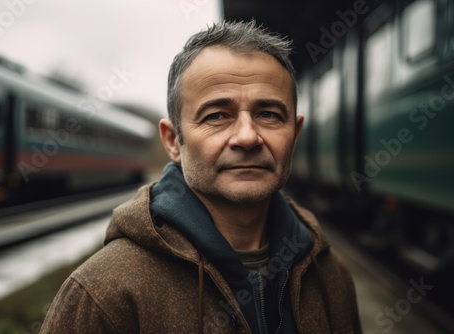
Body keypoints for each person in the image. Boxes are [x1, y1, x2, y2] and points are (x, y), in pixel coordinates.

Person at [40, 20, 362, 333]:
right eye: (217, 116)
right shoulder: (102, 296)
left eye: (268, 114)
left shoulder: (330, 276)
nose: (247, 137)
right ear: (172, 141)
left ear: (295, 133)